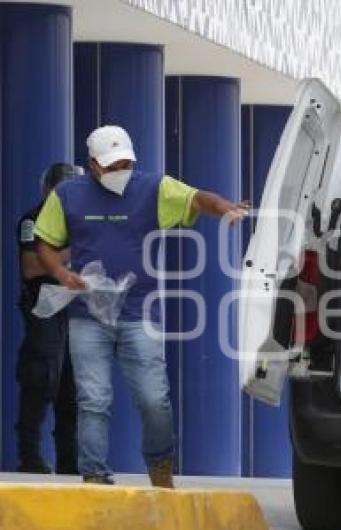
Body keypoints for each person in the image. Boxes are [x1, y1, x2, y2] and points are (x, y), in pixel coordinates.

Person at [34, 125, 249, 487]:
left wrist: (223, 207)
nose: (119, 171)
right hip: (88, 314)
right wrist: (59, 271)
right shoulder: (67, 195)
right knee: (93, 399)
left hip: (140, 313)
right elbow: (44, 241)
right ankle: (95, 476)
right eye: (111, 165)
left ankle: (160, 465)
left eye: (124, 164)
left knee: (154, 399)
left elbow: (197, 198)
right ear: (93, 164)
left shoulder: (154, 188)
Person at [15, 163, 82, 474]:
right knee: (41, 378)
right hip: (45, 306)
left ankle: (70, 461)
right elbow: (31, 266)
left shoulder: (85, 220)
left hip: (78, 310)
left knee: (74, 385)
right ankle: (29, 457)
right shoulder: (33, 219)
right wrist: (75, 249)